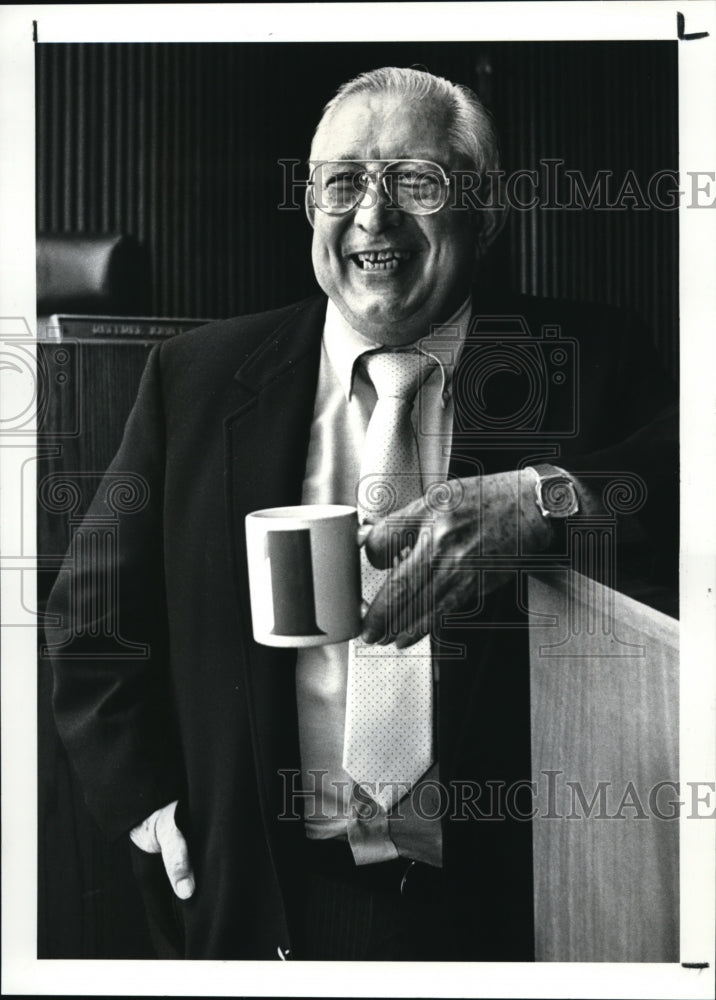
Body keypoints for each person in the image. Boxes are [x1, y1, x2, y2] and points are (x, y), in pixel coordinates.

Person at [46, 66, 677, 961]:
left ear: (486, 210)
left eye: (415, 182)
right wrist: (153, 814)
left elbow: (693, 482)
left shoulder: (592, 357)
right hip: (269, 900)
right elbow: (90, 620)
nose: (373, 217)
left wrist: (546, 498)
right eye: (342, 183)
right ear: (311, 208)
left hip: (516, 909)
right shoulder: (195, 379)